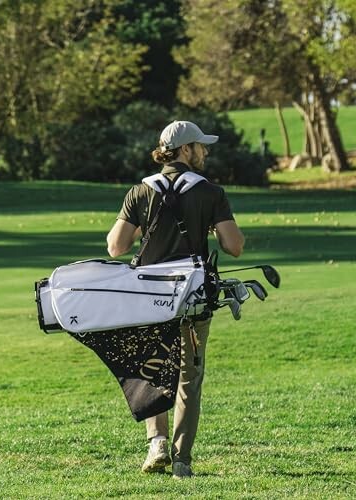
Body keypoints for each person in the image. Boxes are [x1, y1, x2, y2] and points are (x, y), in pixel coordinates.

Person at [106, 120, 244, 478]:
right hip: (192, 298)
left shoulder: (140, 191)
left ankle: (156, 443)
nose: (205, 151)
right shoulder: (211, 192)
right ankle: (182, 461)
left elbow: (116, 246)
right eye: (200, 146)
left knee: (152, 371)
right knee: (188, 378)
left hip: (148, 299)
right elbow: (235, 246)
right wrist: (210, 224)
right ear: (185, 150)